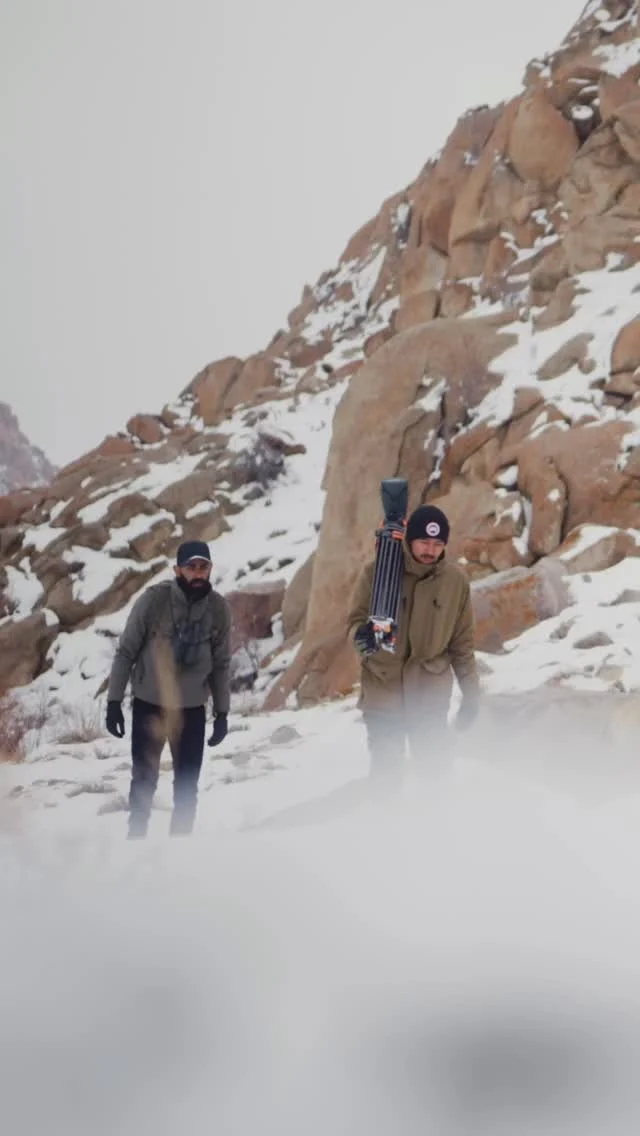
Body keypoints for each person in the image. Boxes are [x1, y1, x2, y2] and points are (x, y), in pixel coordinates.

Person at [347, 503, 479, 789]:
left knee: (436, 778)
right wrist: (362, 636)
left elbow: (462, 645)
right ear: (409, 539)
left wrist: (472, 695)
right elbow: (354, 623)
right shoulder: (377, 573)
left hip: (429, 695)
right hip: (383, 692)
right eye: (424, 542)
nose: (430, 550)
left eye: (438, 544)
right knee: (386, 781)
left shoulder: (455, 582)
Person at [105, 540, 231, 838]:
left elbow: (221, 664)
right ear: (177, 570)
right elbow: (126, 651)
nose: (197, 573)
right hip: (150, 704)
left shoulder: (218, 609)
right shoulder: (153, 601)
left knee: (187, 788)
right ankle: (135, 844)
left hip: (192, 710)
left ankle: (179, 853)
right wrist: (113, 702)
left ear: (210, 569)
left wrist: (222, 713)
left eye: (203, 567)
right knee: (143, 781)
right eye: (191, 567)